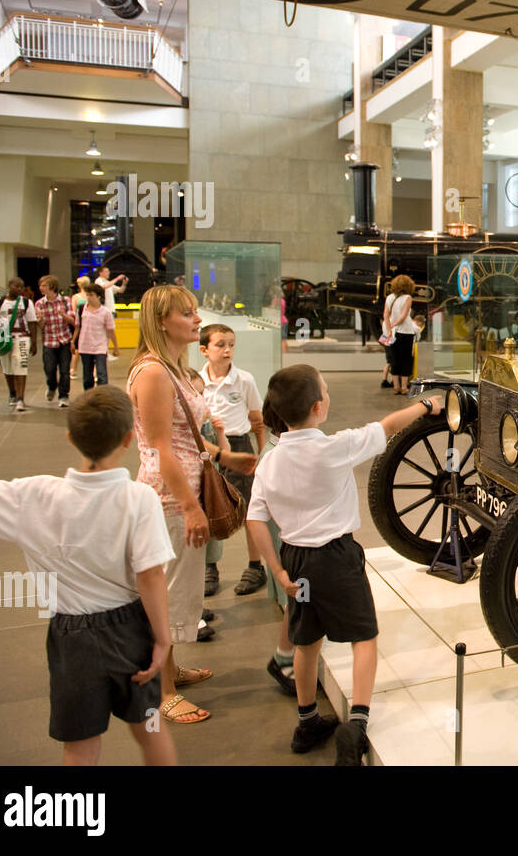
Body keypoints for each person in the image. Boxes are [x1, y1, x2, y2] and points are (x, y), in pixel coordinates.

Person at [0, 385, 177, 765]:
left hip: (70, 638)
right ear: (128, 438)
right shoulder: (139, 498)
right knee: (151, 726)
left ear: (71, 438)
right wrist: (162, 639)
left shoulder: (34, 494)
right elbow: (151, 575)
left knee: (79, 743)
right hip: (130, 631)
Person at [246, 364, 442, 763]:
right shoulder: (335, 447)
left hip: (294, 560)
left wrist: (277, 569)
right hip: (336, 557)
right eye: (327, 390)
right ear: (319, 407)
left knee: (306, 642)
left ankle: (307, 722)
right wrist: (426, 405)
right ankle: (357, 722)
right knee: (363, 637)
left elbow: (254, 518)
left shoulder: (268, 461)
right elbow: (387, 426)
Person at [126, 285, 258, 725]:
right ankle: (162, 691)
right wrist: (190, 507)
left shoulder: (172, 369)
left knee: (178, 592)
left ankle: (171, 670)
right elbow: (163, 450)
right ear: (163, 321)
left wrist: (223, 455)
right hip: (168, 498)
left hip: (180, 491)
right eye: (187, 313)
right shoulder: (154, 373)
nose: (197, 320)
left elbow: (185, 438)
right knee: (165, 595)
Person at [197, 323, 268, 598]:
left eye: (231, 345)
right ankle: (209, 566)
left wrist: (261, 456)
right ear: (204, 350)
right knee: (210, 507)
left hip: (239, 447)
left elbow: (257, 422)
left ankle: (255, 565)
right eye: (220, 345)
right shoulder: (197, 383)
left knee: (249, 510)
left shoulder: (245, 380)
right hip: (208, 450)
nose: (227, 350)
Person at [0, 278, 38, 412]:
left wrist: (34, 342)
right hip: (3, 338)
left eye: (22, 287)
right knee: (7, 368)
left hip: (21, 337)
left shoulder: (27, 303)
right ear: (9, 286)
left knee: (21, 364)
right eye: (17, 286)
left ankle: (21, 398)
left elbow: (32, 322)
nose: (20, 289)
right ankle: (12, 393)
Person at [36, 275, 76, 407]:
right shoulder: (40, 303)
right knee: (50, 369)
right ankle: (52, 386)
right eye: (41, 285)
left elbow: (73, 321)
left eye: (44, 286)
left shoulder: (65, 301)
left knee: (65, 370)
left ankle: (64, 395)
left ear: (52, 287)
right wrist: (40, 319)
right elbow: (41, 327)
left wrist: (63, 315)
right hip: (49, 341)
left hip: (64, 340)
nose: (41, 288)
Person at [73, 284, 118, 390]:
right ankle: (89, 397)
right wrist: (73, 341)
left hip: (100, 347)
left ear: (98, 296)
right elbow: (77, 327)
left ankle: (102, 397)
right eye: (87, 295)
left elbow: (111, 330)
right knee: (87, 376)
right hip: (85, 346)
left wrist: (116, 347)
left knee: (102, 374)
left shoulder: (106, 312)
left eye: (91, 295)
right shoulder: (81, 309)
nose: (88, 297)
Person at [381, 274, 420, 395]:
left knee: (394, 359)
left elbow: (386, 315)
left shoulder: (389, 297)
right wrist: (395, 324)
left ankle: (396, 386)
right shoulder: (408, 297)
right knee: (405, 359)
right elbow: (403, 316)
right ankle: (404, 387)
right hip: (405, 332)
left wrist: (389, 328)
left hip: (392, 333)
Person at [93, 266, 127, 360]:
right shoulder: (98, 281)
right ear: (100, 273)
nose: (108, 273)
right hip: (104, 309)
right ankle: (103, 353)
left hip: (110, 310)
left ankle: (105, 353)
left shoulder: (109, 282)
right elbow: (103, 287)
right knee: (104, 332)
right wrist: (117, 278)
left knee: (108, 333)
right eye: (106, 271)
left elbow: (120, 290)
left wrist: (124, 283)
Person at [70, 276, 91, 377]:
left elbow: (73, 311)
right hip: (87, 323)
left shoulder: (76, 297)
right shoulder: (90, 296)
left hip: (79, 323)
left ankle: (73, 369)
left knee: (77, 348)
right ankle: (94, 372)